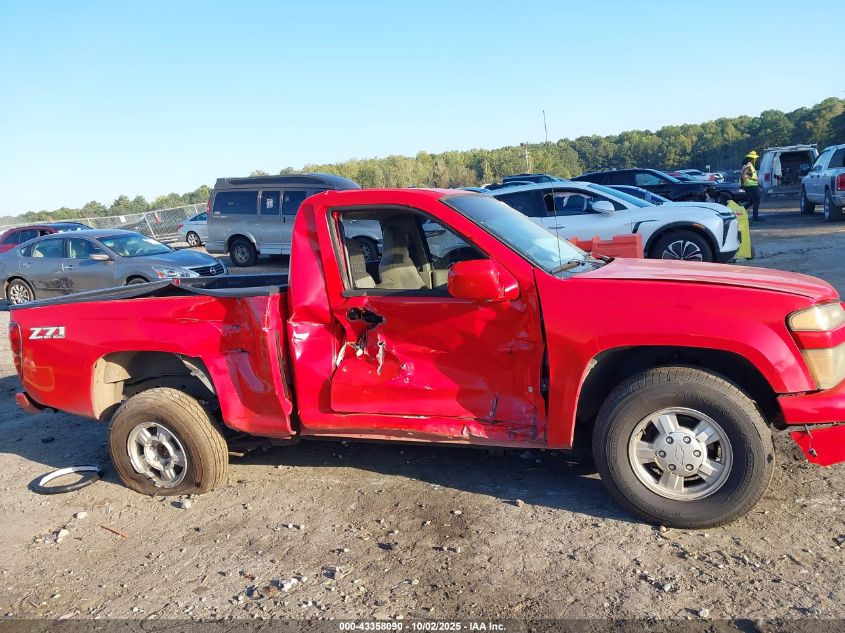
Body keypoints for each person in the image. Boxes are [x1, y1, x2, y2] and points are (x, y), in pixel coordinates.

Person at [740, 150, 762, 221]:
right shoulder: (749, 165)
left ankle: (740, 212)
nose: (756, 159)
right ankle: (755, 217)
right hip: (751, 186)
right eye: (755, 158)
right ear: (753, 159)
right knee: (757, 200)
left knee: (752, 201)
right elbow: (744, 175)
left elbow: (745, 175)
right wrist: (744, 184)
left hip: (750, 185)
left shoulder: (748, 165)